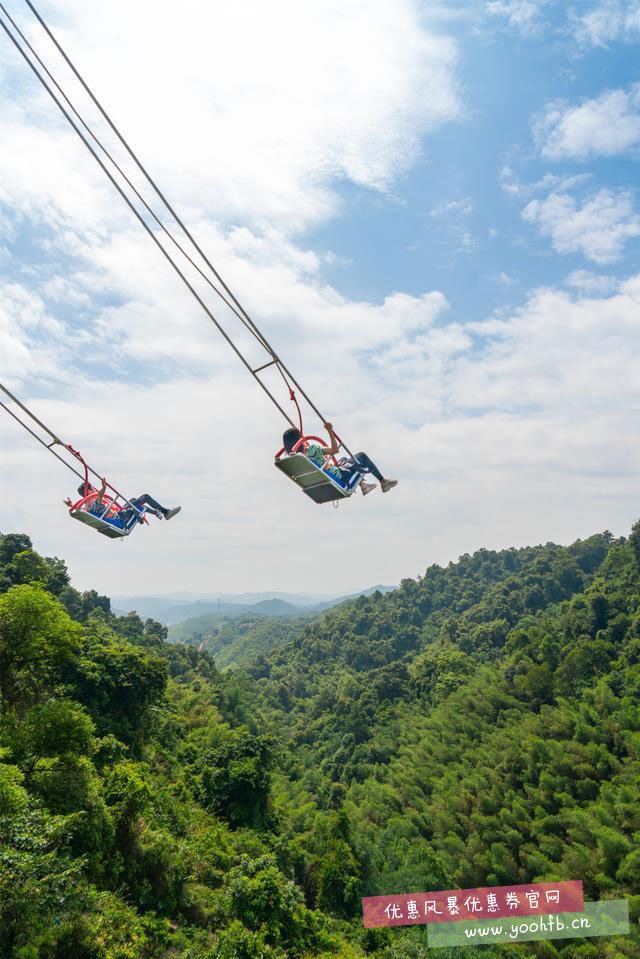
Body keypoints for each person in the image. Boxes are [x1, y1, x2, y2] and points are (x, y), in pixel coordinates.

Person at [281, 424, 398, 496]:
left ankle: (363, 486)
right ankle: (383, 482)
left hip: (320, 479)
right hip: (338, 475)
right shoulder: (311, 450)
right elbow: (334, 450)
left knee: (343, 459)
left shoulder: (294, 458)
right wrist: (330, 431)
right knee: (361, 456)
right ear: (298, 439)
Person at [65, 479, 181, 525]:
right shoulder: (94, 503)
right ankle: (165, 513)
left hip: (120, 515)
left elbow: (79, 510)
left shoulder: (87, 507)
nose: (95, 489)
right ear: (89, 490)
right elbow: (100, 495)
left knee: (133, 501)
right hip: (122, 518)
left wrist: (72, 505)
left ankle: (156, 513)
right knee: (144, 497)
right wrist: (103, 487)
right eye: (93, 488)